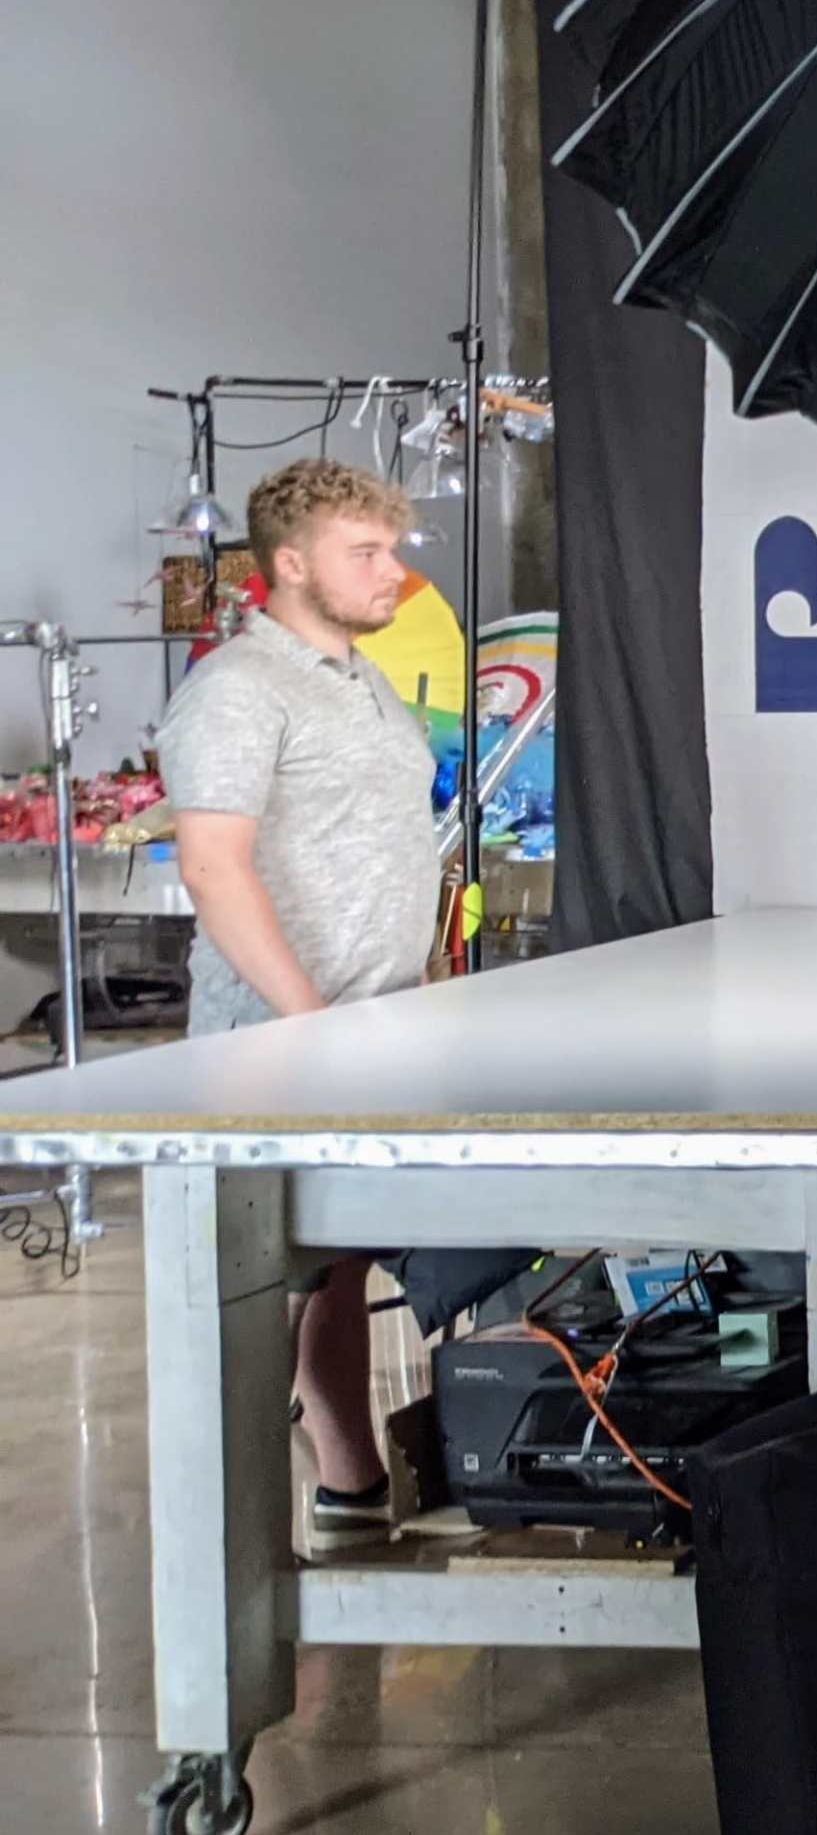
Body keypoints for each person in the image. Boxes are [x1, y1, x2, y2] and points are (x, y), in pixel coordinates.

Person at [155, 459, 442, 1535]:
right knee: (258, 1286)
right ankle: (218, 1547)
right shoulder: (238, 688)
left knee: (333, 1262)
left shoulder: (358, 678)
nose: (393, 574)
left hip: (373, 1028)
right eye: (365, 554)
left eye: (394, 550)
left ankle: (351, 1481)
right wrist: (306, 1019)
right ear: (289, 565)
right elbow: (214, 864)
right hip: (274, 1044)